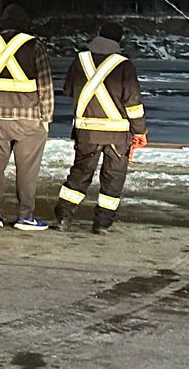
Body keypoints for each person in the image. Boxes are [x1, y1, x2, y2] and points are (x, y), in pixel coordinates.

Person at [56, 21, 147, 234]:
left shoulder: (80, 60)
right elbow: (133, 103)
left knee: (79, 174)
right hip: (118, 136)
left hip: (86, 132)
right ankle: (102, 223)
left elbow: (68, 89)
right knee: (113, 179)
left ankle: (64, 215)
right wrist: (140, 131)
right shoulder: (124, 65)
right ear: (119, 41)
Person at [0, 4, 52, 231]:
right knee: (27, 170)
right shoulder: (34, 46)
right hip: (29, 120)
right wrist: (46, 117)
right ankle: (25, 216)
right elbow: (45, 85)